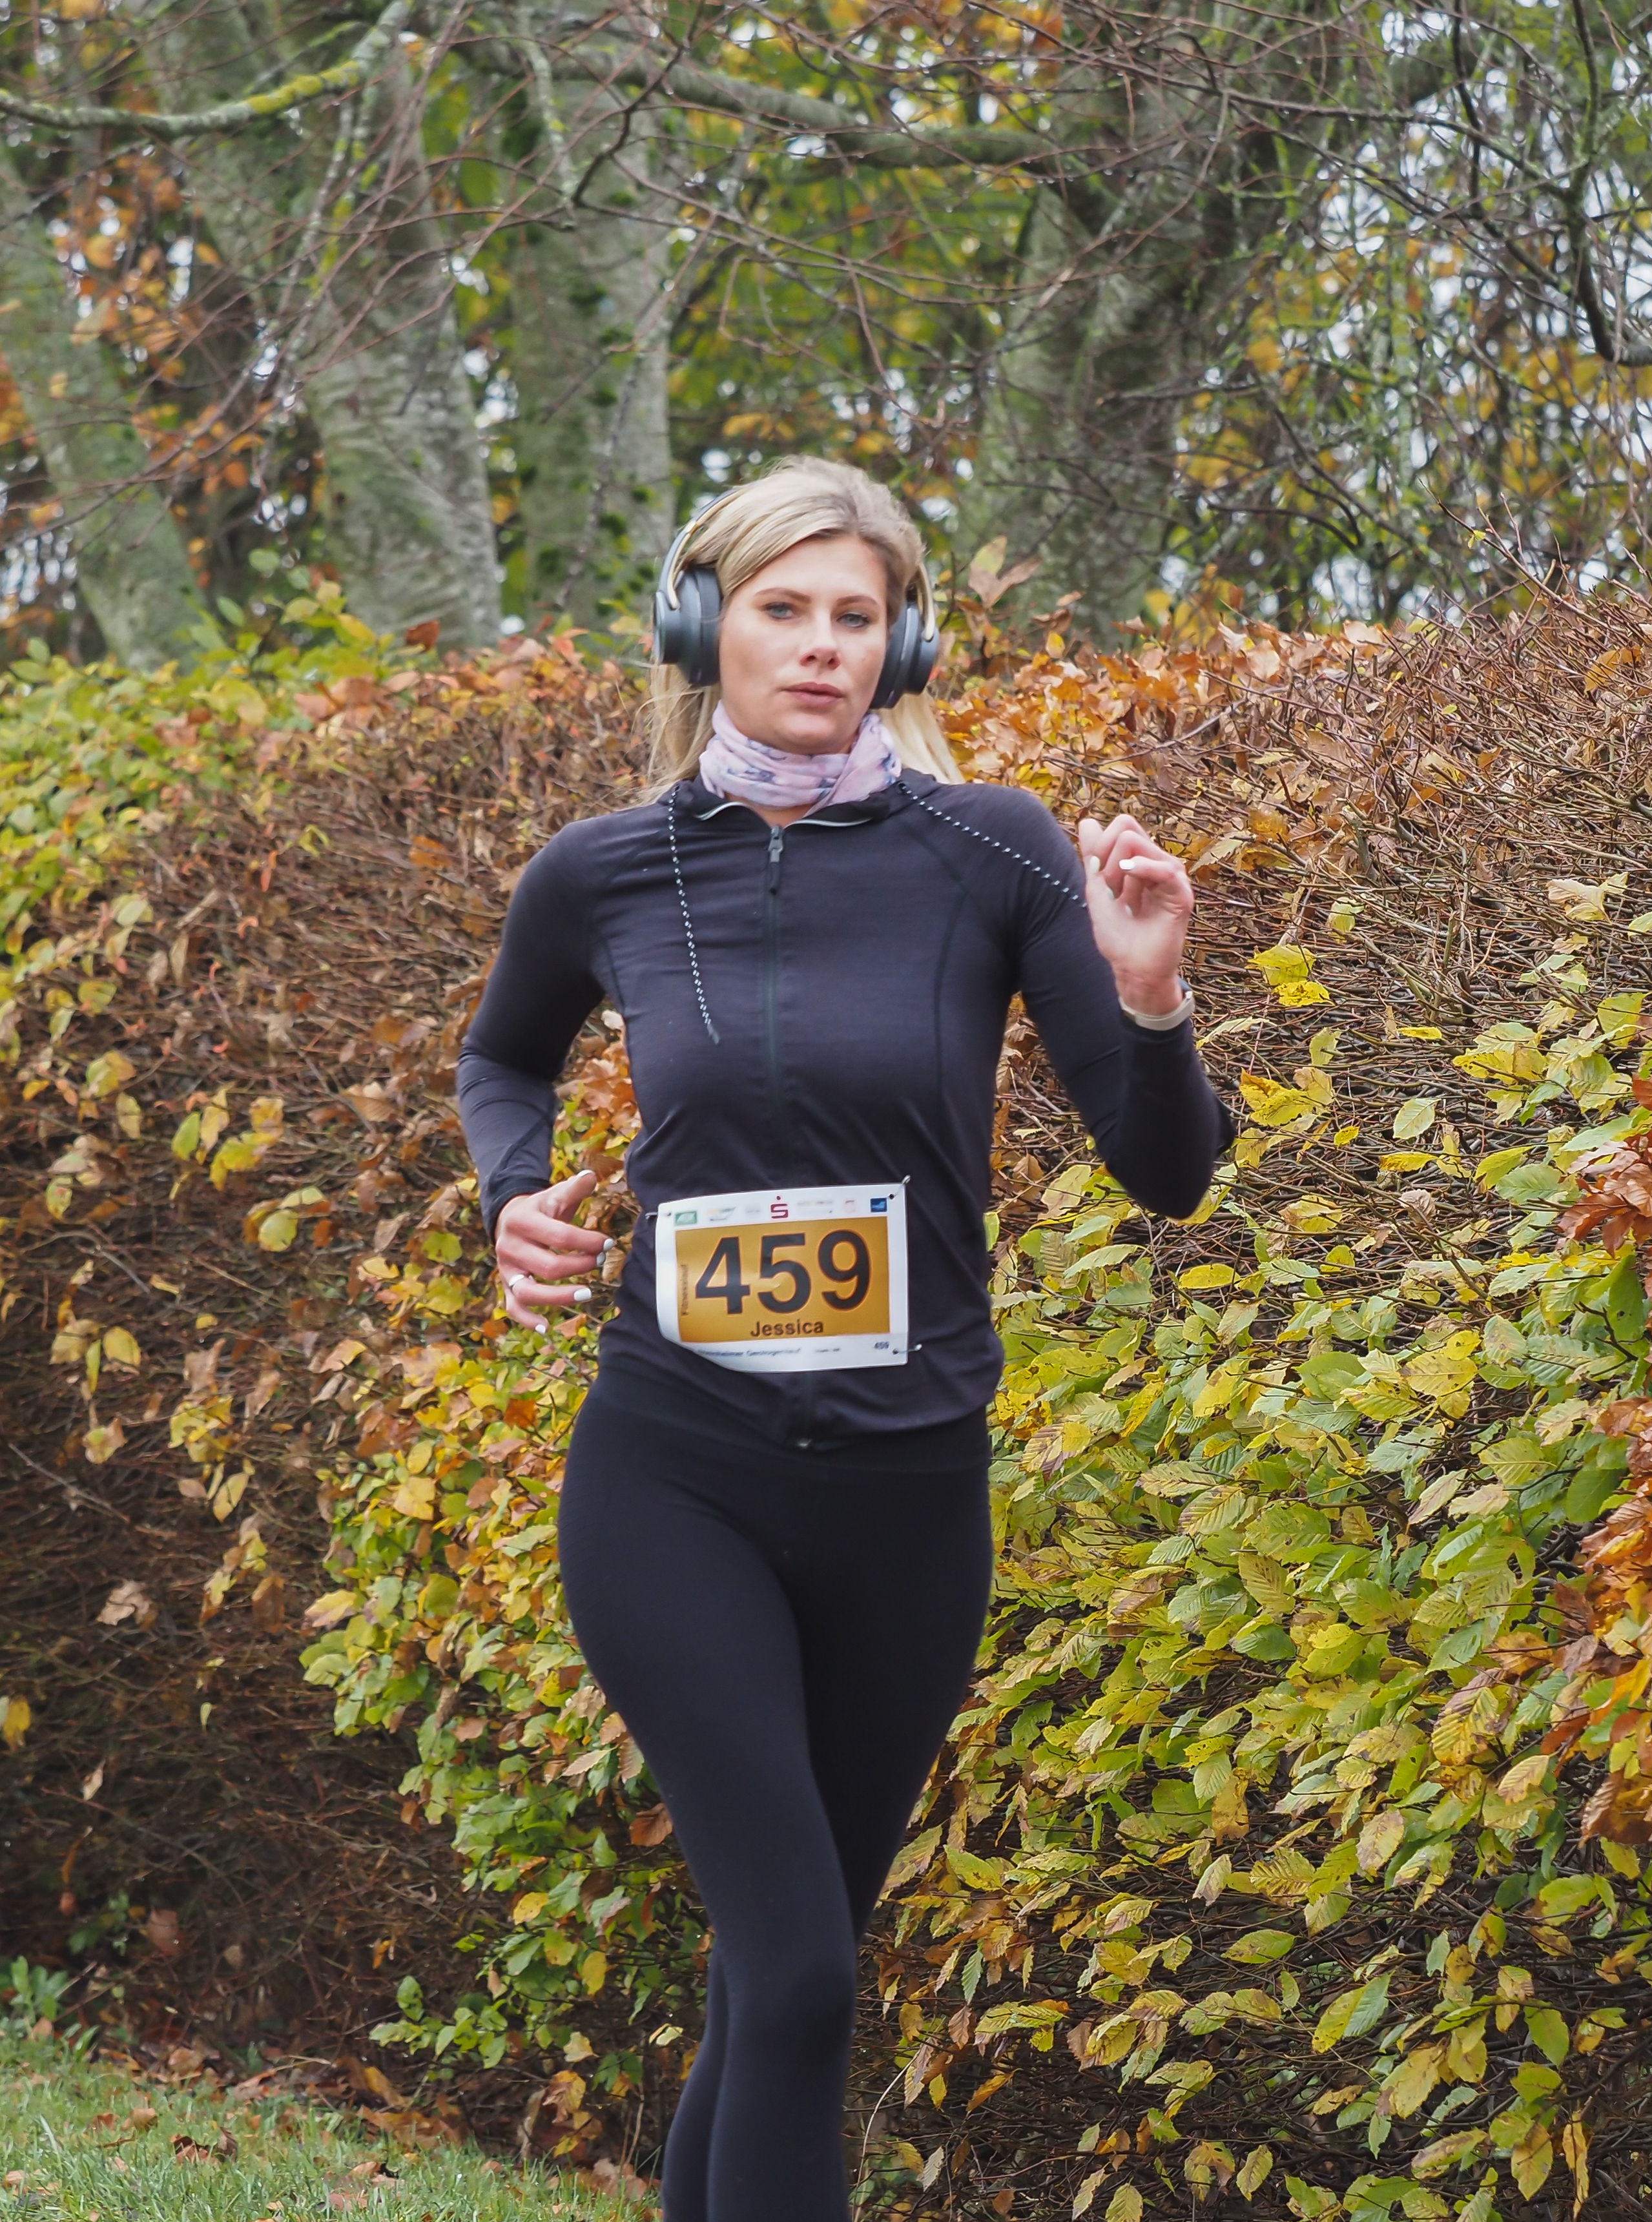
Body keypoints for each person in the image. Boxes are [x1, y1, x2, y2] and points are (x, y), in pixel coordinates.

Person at [455, 457, 1230, 2222]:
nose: (820, 644)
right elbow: (503, 1055)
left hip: (907, 1497)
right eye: (783, 608)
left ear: (906, 647)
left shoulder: (993, 849)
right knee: (800, 1970)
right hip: (676, 1478)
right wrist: (511, 1193)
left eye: (855, 615)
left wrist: (1153, 994)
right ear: (700, 628)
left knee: (776, 1983)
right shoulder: (605, 870)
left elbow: (1169, 1172)